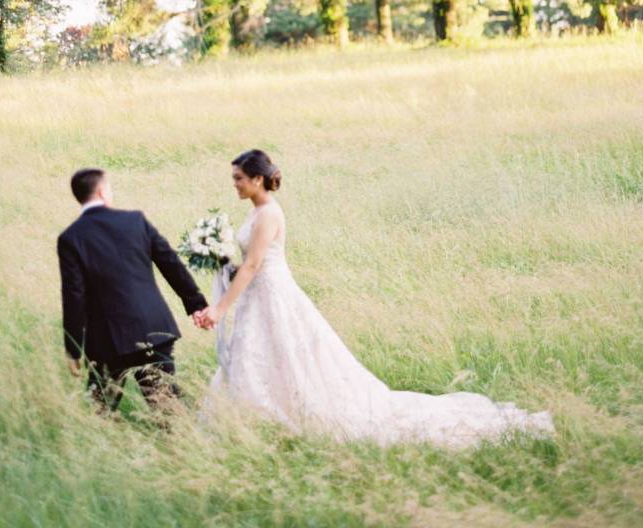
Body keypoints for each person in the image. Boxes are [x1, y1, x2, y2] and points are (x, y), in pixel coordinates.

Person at [198, 150, 554, 449]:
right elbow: (245, 263)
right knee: (263, 353)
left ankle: (288, 414)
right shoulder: (256, 211)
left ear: (258, 180)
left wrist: (220, 307)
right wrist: (223, 257)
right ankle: (258, 417)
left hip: (272, 293)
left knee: (287, 353)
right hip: (259, 296)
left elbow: (255, 265)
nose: (235, 185)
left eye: (239, 178)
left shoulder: (269, 214)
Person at [57, 168, 209, 413]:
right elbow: (170, 263)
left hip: (107, 339)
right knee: (168, 410)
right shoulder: (135, 221)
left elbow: (73, 296)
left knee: (100, 412)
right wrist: (196, 304)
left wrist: (73, 348)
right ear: (102, 191)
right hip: (153, 329)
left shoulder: (71, 238)